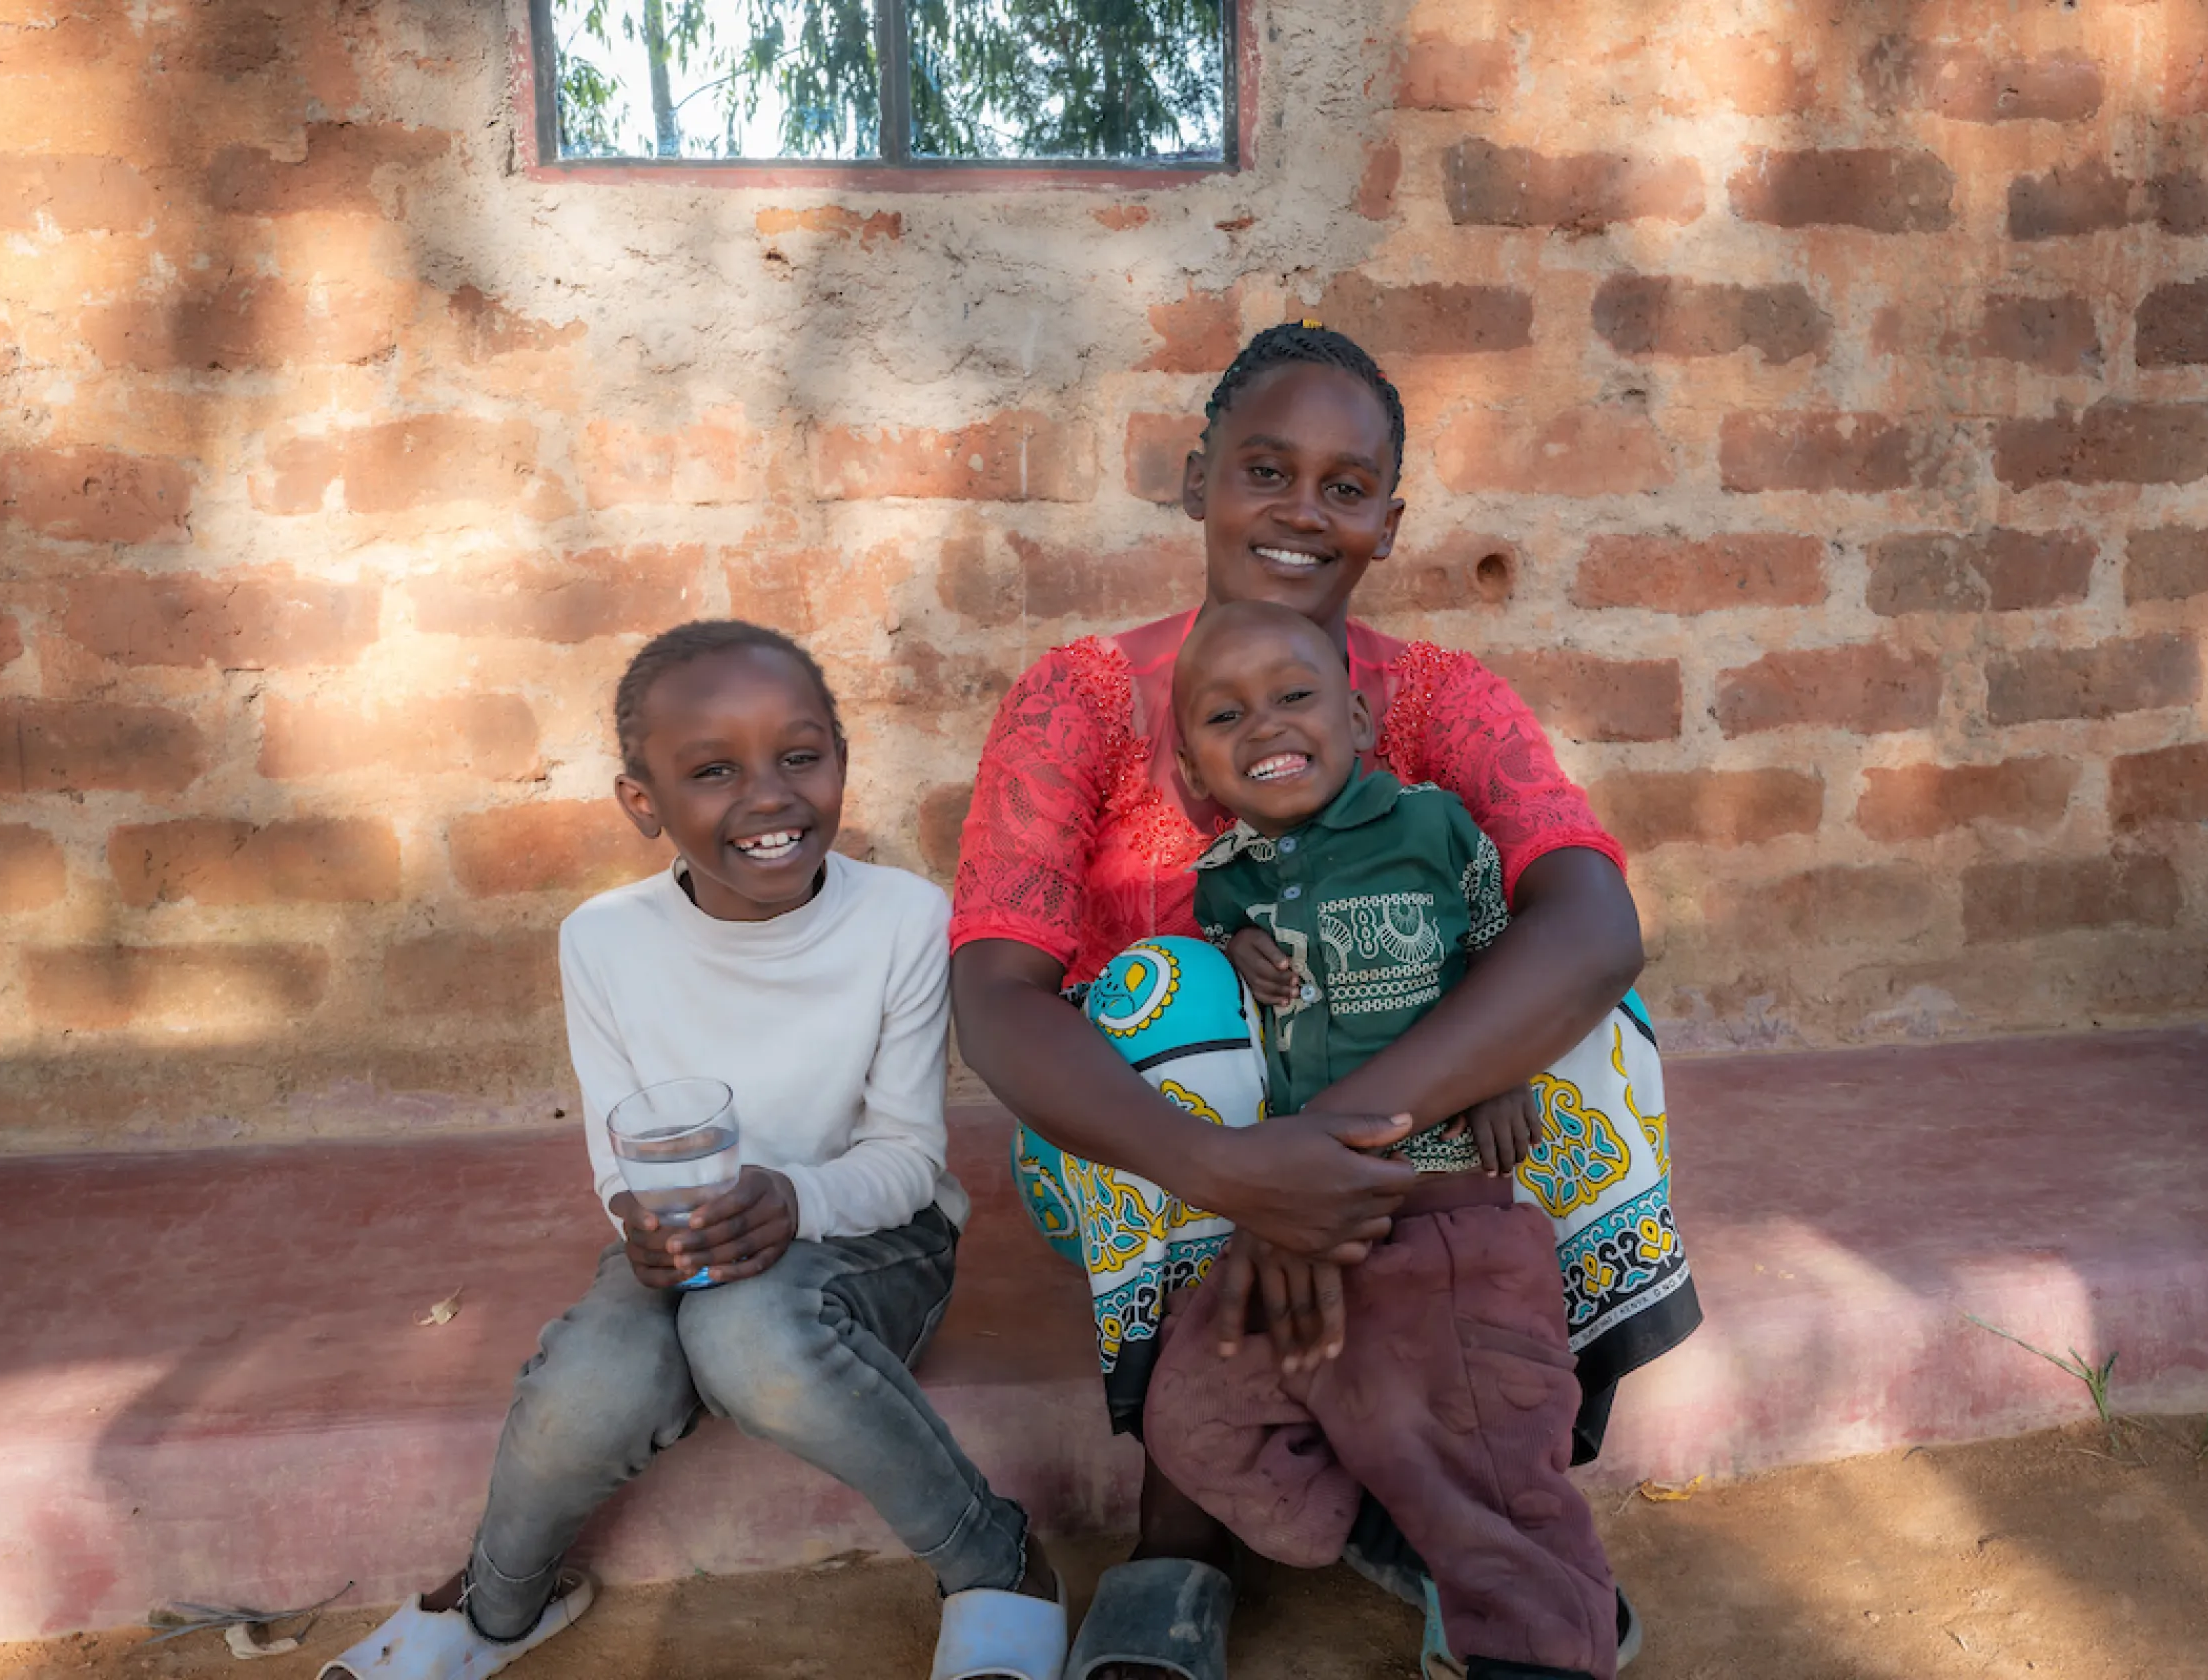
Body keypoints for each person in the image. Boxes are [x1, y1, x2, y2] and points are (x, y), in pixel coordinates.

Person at [950, 323, 1701, 1680]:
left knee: (1590, 1025)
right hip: (1140, 1148)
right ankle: (1178, 1533)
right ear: (1198, 482)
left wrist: (1321, 1155)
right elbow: (995, 998)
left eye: (1346, 489)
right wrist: (1233, 1168)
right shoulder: (1083, 699)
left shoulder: (1436, 701)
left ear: (1390, 524)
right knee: (1172, 989)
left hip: (1384, 1158)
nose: (1304, 512)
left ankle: (1467, 1485)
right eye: (1266, 471)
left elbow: (1593, 924)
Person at [321, 621, 1067, 1680]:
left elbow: (905, 1158)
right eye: (713, 772)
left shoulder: (902, 920)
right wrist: (644, 1222)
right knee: (596, 1373)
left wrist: (791, 1201)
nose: (769, 798)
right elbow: (620, 1156)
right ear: (643, 803)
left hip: (874, 1238)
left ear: (842, 763)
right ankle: (498, 1606)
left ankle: (996, 1564)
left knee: (748, 1332)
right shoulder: (603, 940)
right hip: (686, 1243)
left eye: (800, 757)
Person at [1144, 598, 1620, 1680]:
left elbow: (1509, 939)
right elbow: (1219, 924)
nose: (1264, 727)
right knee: (1195, 1411)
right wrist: (1247, 942)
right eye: (1226, 716)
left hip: (1445, 1214)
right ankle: (1385, 1526)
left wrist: (1506, 1071)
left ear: (1358, 716)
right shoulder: (1232, 870)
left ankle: (1538, 1648)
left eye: (1295, 697)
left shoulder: (1433, 824)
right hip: (1299, 1218)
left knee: (1492, 1471)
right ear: (1193, 764)